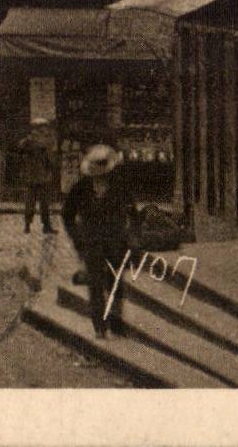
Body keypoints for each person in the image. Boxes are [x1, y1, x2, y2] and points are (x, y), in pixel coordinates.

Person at [62, 144, 137, 339]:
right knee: (95, 284)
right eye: (96, 170)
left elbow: (133, 213)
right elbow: (67, 215)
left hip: (115, 241)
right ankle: (99, 326)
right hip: (91, 242)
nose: (100, 175)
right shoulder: (81, 188)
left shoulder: (119, 186)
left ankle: (116, 323)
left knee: (115, 283)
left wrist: (131, 236)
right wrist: (77, 238)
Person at [18, 125, 58, 235]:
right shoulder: (30, 146)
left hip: (39, 178)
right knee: (34, 203)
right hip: (37, 178)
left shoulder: (39, 147)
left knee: (38, 203)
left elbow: (48, 162)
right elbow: (21, 147)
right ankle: (34, 225)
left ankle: (39, 226)